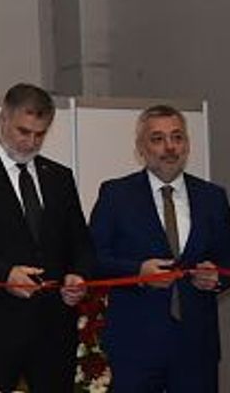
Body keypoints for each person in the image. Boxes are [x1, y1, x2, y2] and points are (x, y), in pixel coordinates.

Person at [0, 83, 94, 392]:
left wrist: (78, 275)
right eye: (23, 131)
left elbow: (81, 243)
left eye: (40, 134)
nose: (30, 142)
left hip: (54, 329)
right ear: (3, 119)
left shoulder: (60, 177)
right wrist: (5, 274)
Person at [89, 105, 230, 392]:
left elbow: (226, 259)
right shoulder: (116, 195)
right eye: (157, 139)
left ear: (187, 144)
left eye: (177, 137)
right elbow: (93, 259)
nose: (169, 147)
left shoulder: (212, 197)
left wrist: (217, 277)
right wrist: (138, 272)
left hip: (196, 346)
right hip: (135, 345)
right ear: (141, 148)